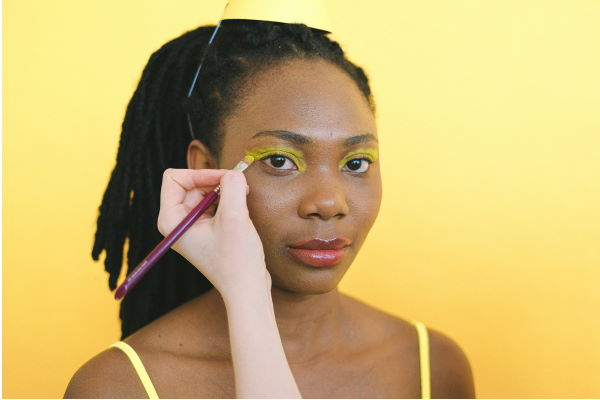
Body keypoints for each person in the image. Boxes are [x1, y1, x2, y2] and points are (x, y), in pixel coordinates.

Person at [64, 21, 476, 398]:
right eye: (280, 160)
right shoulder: (118, 387)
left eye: (356, 163)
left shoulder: (431, 366)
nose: (330, 203)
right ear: (208, 171)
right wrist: (247, 296)